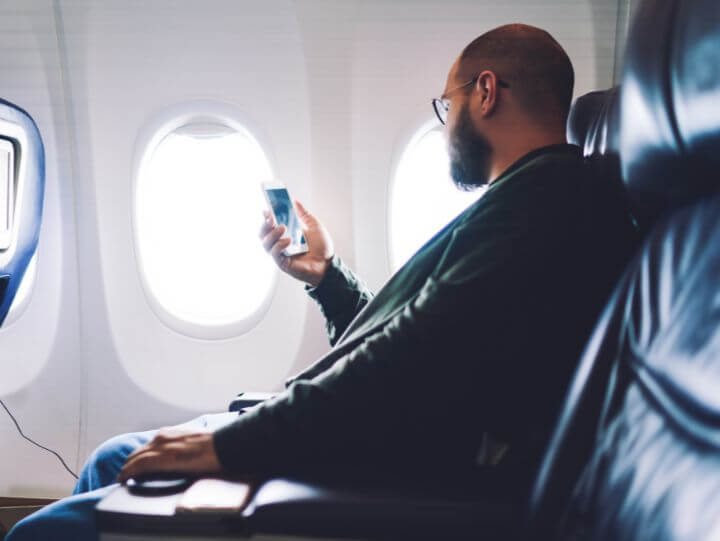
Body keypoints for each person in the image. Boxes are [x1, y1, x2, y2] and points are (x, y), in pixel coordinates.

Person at [8, 23, 637, 540]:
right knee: (107, 458)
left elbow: (411, 358)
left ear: (486, 92)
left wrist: (232, 445)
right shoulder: (527, 202)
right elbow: (418, 339)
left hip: (403, 464)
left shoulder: (541, 207)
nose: (447, 125)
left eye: (447, 104)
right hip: (382, 438)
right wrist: (326, 277)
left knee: (44, 531)